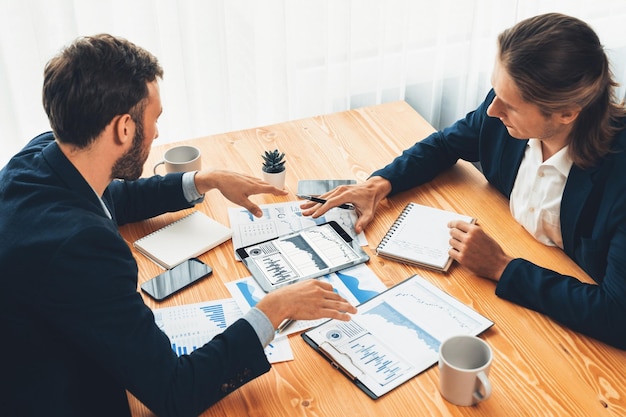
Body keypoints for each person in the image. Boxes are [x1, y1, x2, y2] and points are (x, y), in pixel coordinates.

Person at [0, 34, 357, 417]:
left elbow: (111, 196)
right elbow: (175, 393)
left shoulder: (44, 154)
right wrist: (273, 308)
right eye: (155, 120)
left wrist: (204, 180)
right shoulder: (82, 249)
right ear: (123, 128)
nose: (156, 134)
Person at [302, 13, 626, 350]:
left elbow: (617, 315)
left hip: (577, 340)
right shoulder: (504, 113)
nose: (492, 110)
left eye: (511, 105)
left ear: (567, 113)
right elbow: (445, 144)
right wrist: (379, 184)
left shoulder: (618, 181)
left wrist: (502, 267)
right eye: (496, 91)